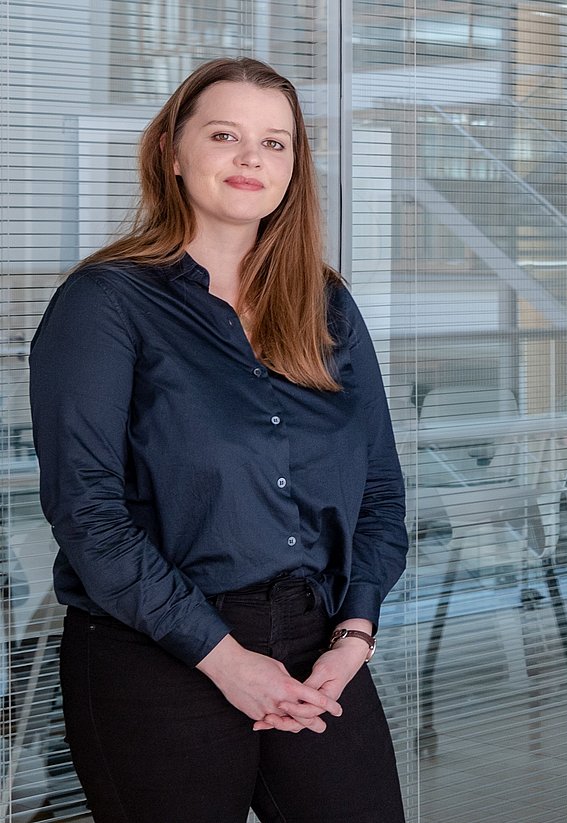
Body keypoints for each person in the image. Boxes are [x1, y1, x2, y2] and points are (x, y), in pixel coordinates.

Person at [30, 57, 407, 822]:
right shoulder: (106, 303)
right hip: (155, 651)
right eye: (225, 134)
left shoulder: (327, 306)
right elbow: (87, 512)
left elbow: (380, 491)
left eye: (276, 143)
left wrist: (354, 636)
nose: (250, 159)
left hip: (318, 644)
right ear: (172, 152)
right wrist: (224, 659)